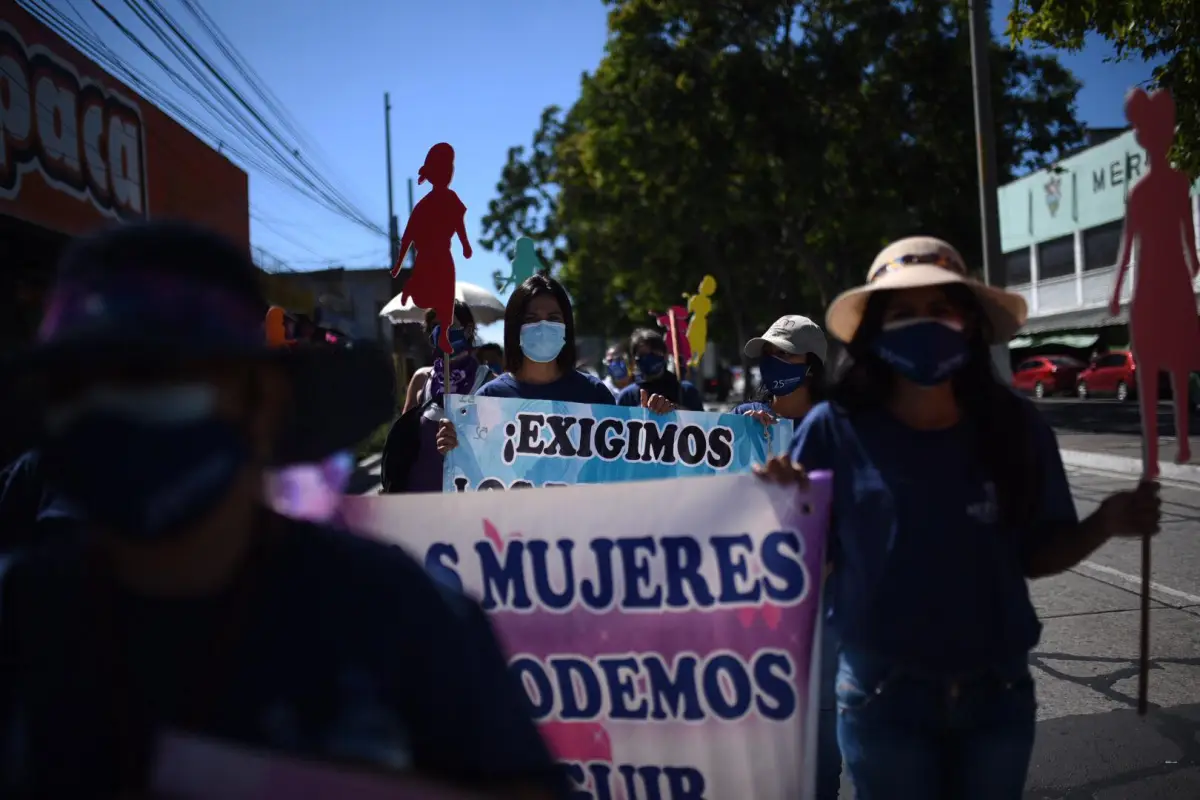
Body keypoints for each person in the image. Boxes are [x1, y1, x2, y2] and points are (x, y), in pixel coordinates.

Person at [0, 221, 566, 798]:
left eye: (150, 375)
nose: (112, 413)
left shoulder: (400, 621)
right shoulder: (20, 621)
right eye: (78, 385)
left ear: (263, 402)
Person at [754, 236, 1161, 800]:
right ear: (875, 330)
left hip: (998, 697)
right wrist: (787, 510)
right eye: (902, 313)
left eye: (941, 309)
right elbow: (808, 570)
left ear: (969, 322)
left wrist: (1105, 522)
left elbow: (1036, 554)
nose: (924, 323)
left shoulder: (1017, 428)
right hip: (881, 699)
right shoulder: (832, 429)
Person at [733, 315, 841, 799]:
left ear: (812, 366)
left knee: (819, 737)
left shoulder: (837, 431)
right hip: (755, 607)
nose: (773, 365)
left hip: (824, 606)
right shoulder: (740, 423)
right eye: (768, 356)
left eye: (785, 355)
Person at [436, 274, 615, 455]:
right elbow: (472, 467)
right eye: (531, 319)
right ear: (515, 328)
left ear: (567, 326)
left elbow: (619, 468)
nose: (543, 326)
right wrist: (453, 448)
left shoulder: (595, 394)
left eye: (553, 318)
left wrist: (643, 435)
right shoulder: (489, 398)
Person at [388, 303, 493, 494]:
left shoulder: (487, 382)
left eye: (450, 325)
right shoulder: (422, 380)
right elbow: (402, 441)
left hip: (468, 500)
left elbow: (498, 445)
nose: (442, 331)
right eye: (435, 326)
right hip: (419, 497)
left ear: (468, 330)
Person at [615, 327, 705, 412]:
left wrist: (677, 411)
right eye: (643, 354)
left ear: (665, 355)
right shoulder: (627, 397)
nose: (649, 358)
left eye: (654, 353)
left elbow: (702, 425)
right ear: (634, 360)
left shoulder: (686, 391)